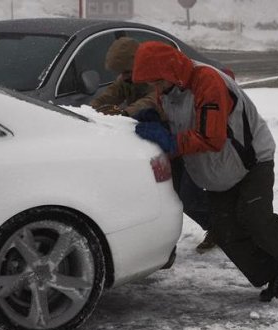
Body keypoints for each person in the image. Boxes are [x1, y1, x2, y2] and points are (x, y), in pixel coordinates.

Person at [131, 41, 278, 301]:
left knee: (255, 218)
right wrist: (157, 120)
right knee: (225, 230)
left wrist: (171, 141)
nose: (155, 88)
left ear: (170, 71)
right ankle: (276, 274)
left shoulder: (207, 81)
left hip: (250, 161)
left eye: (157, 81)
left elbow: (211, 137)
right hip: (217, 172)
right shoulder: (167, 90)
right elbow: (179, 122)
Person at [92, 37, 217, 252]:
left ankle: (222, 229)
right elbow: (109, 95)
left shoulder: (155, 79)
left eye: (126, 71)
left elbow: (151, 101)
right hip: (167, 146)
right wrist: (92, 112)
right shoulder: (127, 80)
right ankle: (217, 227)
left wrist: (125, 112)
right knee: (176, 194)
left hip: (184, 141)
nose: (122, 77)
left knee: (189, 196)